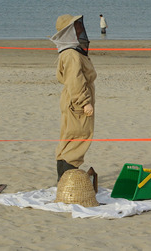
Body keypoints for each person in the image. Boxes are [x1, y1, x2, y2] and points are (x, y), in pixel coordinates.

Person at [50, 14, 97, 182]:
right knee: (79, 136)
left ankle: (63, 181)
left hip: (71, 98)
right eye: (75, 26)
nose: (79, 28)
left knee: (70, 137)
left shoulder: (70, 52)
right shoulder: (71, 55)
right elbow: (75, 80)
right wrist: (85, 103)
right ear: (68, 31)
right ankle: (67, 181)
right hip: (76, 100)